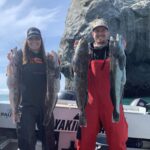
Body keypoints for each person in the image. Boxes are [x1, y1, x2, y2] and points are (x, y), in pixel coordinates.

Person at [76, 19, 128, 150]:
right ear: (92, 34)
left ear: (108, 32)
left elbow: (122, 76)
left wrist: (122, 49)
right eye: (97, 31)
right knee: (84, 142)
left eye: (103, 30)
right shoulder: (85, 52)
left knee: (118, 140)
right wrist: (76, 53)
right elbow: (76, 73)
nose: (100, 33)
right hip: (90, 103)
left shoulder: (115, 48)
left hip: (112, 103)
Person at [7, 27, 57, 150]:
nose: (34, 41)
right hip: (26, 107)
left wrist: (57, 64)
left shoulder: (47, 58)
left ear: (41, 40)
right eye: (31, 38)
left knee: (49, 141)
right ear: (27, 40)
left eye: (37, 38)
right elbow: (11, 81)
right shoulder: (20, 56)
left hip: (45, 106)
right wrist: (10, 63)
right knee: (26, 142)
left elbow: (55, 77)